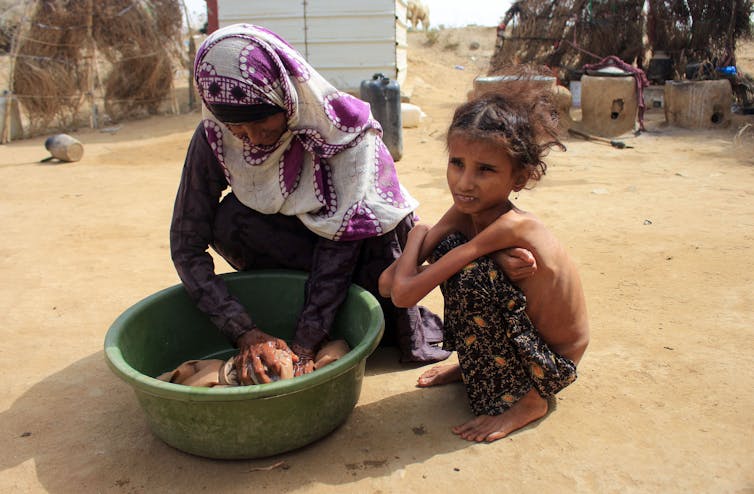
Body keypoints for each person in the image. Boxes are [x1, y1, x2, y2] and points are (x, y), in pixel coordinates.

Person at [170, 23, 461, 385]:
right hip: (297, 254)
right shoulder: (214, 134)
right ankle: (289, 302)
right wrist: (243, 331)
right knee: (231, 219)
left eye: (261, 123)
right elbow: (186, 242)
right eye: (238, 131)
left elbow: (339, 247)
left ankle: (347, 318)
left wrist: (306, 344)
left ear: (284, 95)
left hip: (360, 256)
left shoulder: (345, 133)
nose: (253, 140)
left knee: (377, 234)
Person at [379, 83, 590, 442]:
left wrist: (416, 235)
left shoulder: (513, 225)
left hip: (551, 363)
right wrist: (422, 238)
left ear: (519, 178)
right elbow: (387, 283)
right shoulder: (466, 212)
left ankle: (531, 402)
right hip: (523, 342)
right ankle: (472, 365)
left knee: (470, 271)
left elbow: (403, 294)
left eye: (485, 169)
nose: (464, 182)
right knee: (457, 256)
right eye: (457, 163)